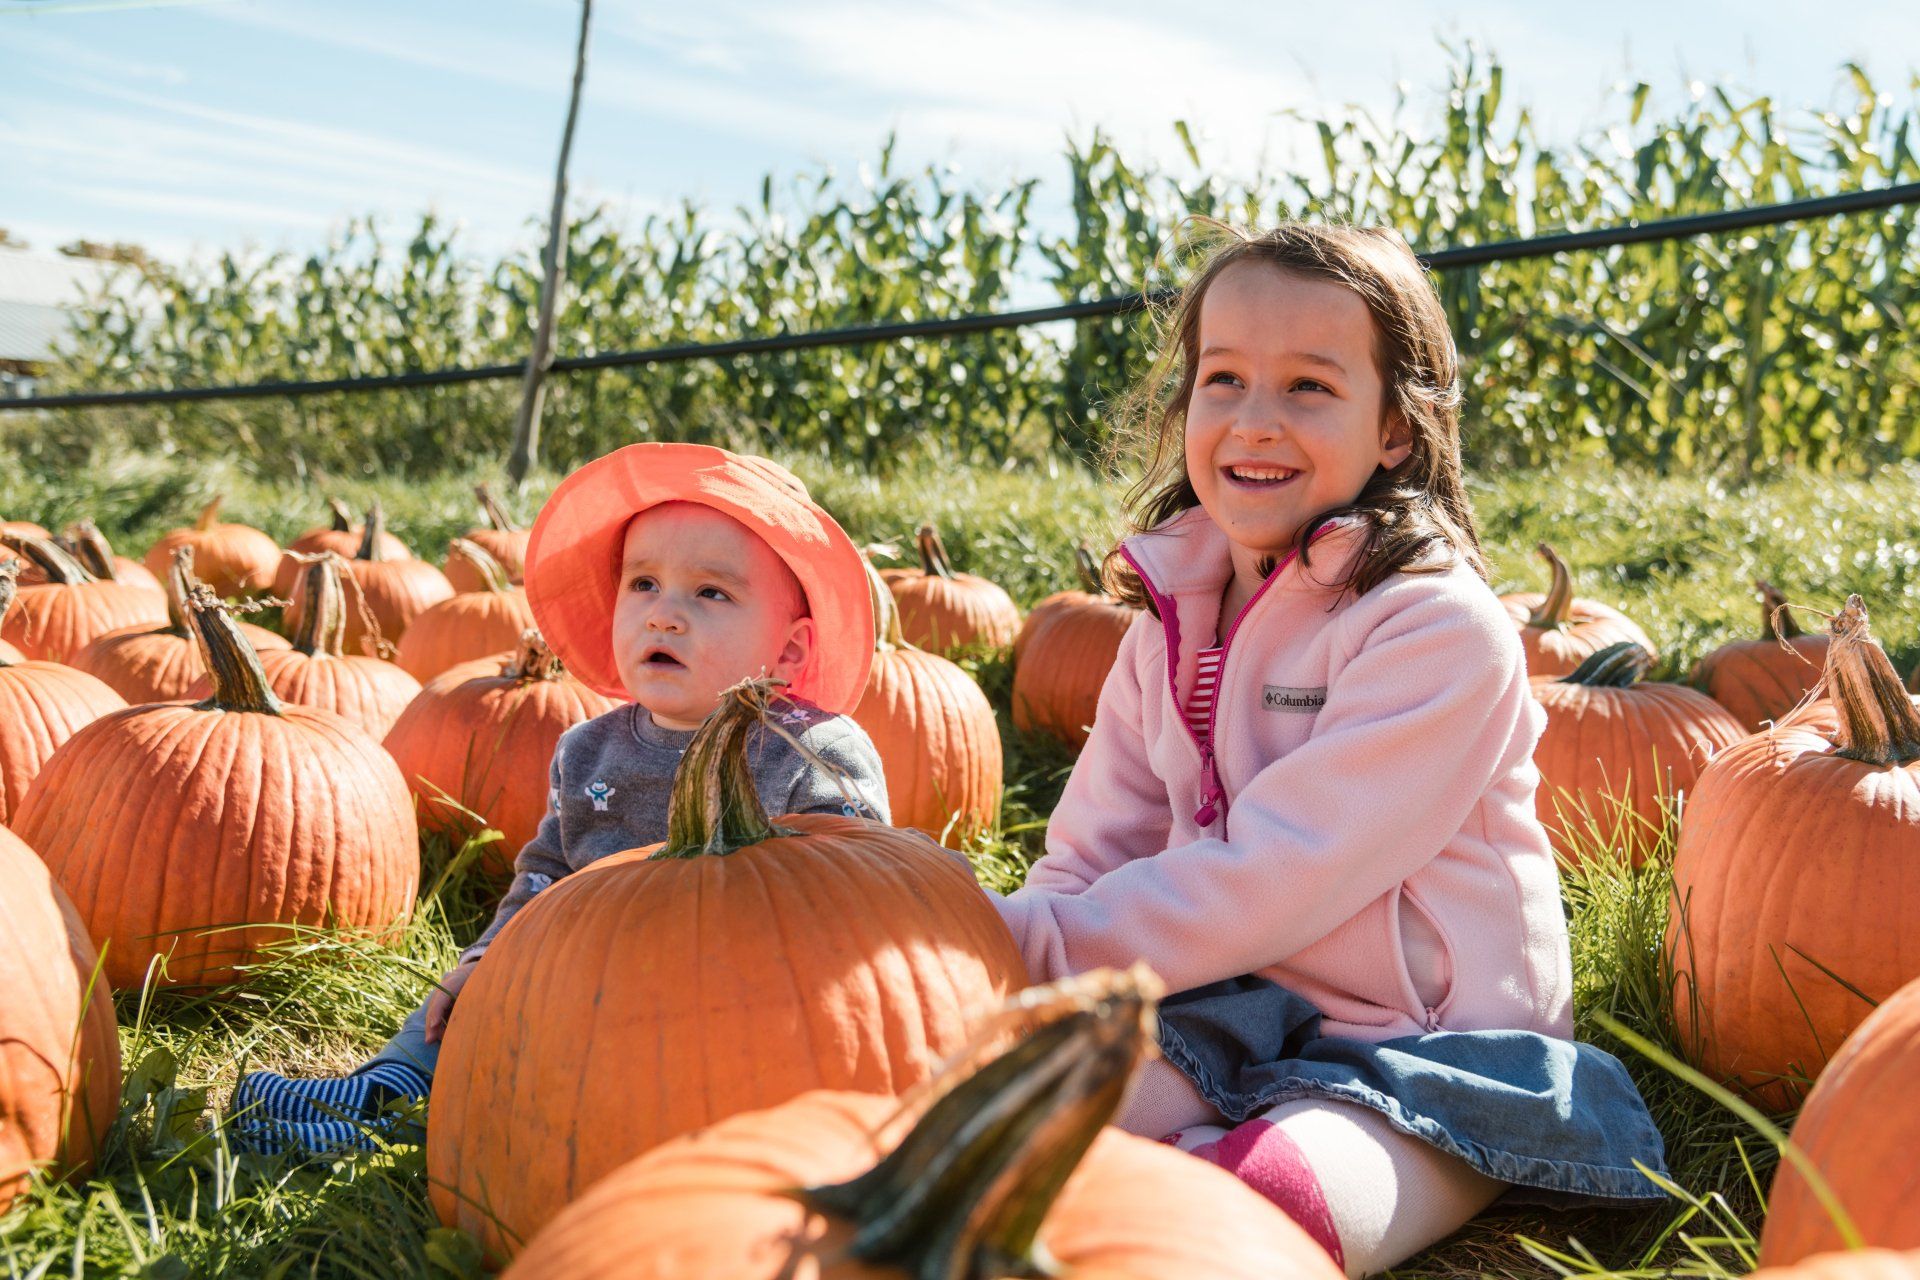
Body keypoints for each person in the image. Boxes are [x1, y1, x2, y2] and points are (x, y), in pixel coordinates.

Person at [992, 222, 1667, 1277]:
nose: (1255, 421)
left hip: (1428, 1048)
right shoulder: (1168, 621)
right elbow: (1094, 846)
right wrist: (1011, 972)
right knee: (1005, 1130)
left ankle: (1209, 1203)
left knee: (1259, 1206)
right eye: (1224, 380)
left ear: (1395, 427)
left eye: (1308, 386)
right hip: (1225, 1001)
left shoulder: (1436, 632)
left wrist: (1026, 942)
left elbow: (1278, 872)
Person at [230, 443, 890, 1156]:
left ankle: (404, 1132)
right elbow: (543, 880)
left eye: (710, 593)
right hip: (585, 984)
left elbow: (855, 908)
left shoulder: (812, 753)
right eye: (643, 584)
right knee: (466, 1011)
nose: (664, 615)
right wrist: (487, 962)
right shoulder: (588, 751)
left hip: (734, 1016)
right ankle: (385, 1087)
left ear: (789, 652)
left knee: (541, 1082)